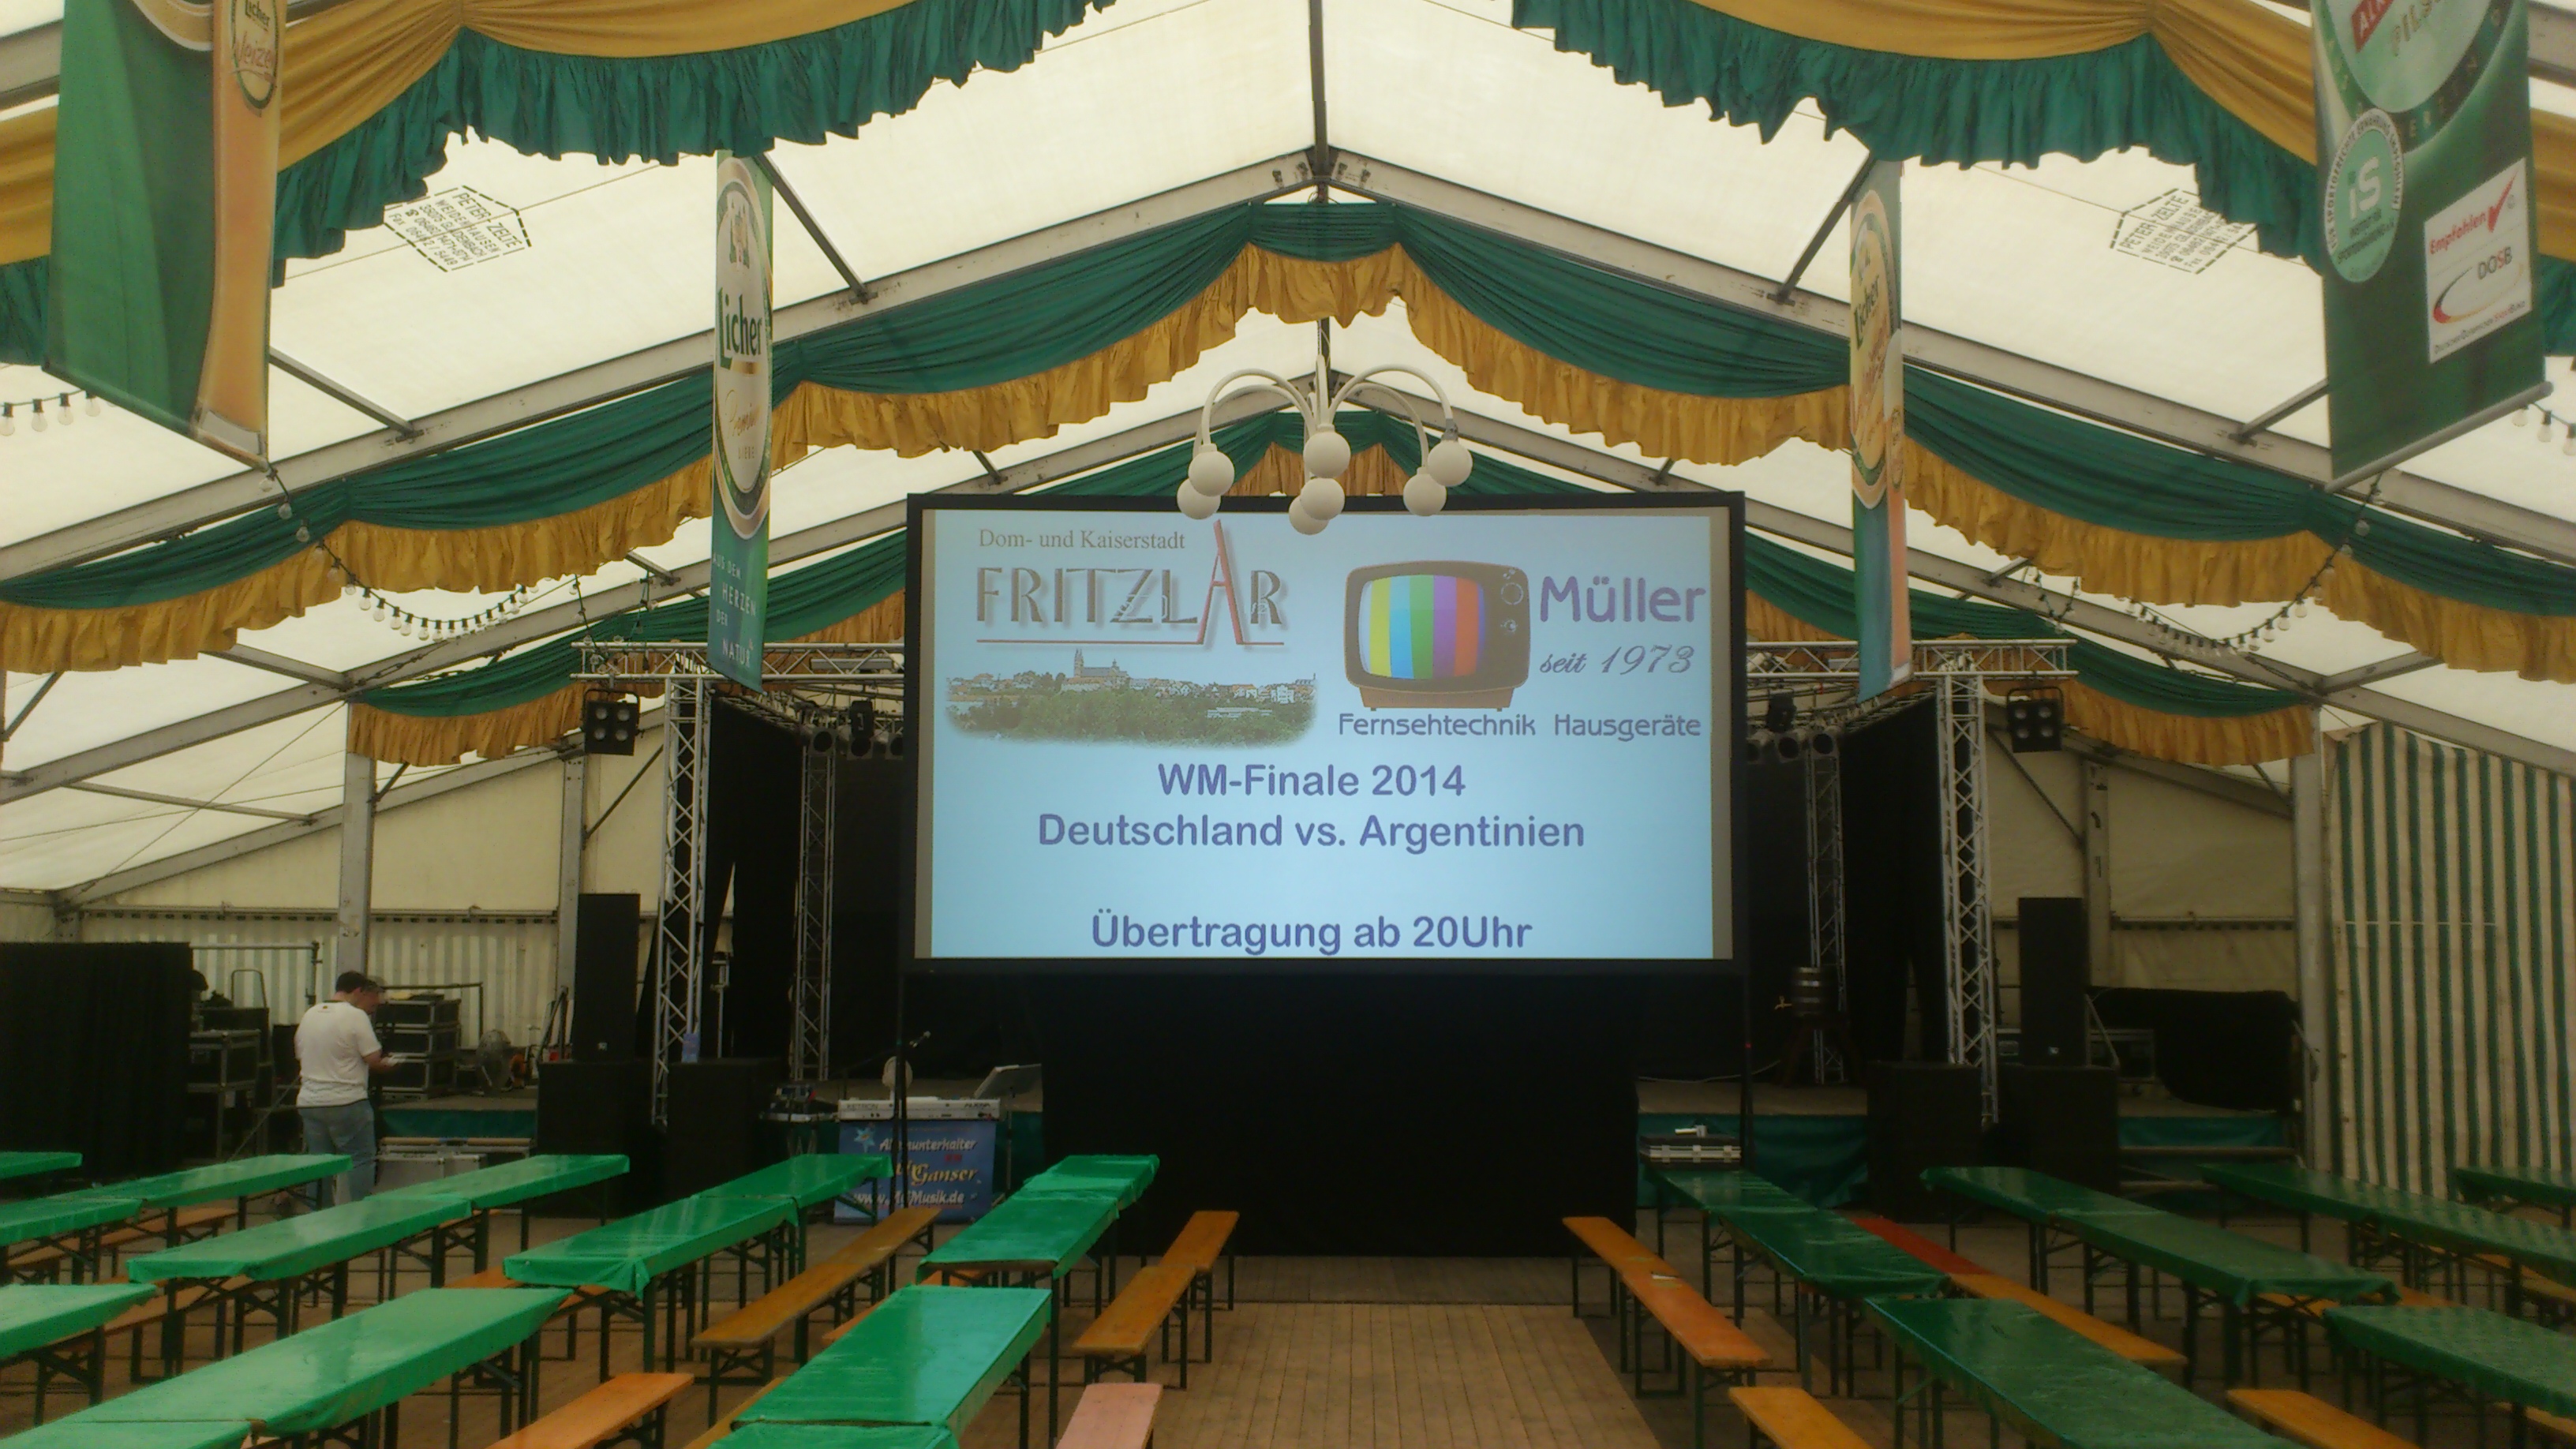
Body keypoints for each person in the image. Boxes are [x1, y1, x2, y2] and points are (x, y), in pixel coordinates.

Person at [295, 972, 395, 1204]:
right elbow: (373, 1058)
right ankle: (359, 1214)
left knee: (318, 1164)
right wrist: (390, 1065)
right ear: (359, 991)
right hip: (347, 1101)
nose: (374, 1004)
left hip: (310, 1102)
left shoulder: (310, 1014)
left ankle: (319, 1215)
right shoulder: (355, 1016)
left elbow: (300, 1054)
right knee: (360, 1159)